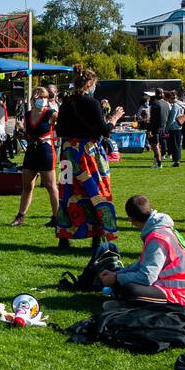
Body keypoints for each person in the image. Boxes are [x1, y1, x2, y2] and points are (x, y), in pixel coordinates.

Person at [54, 66, 124, 252]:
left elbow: (59, 130)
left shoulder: (66, 103)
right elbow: (104, 130)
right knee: (96, 191)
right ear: (90, 83)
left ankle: (64, 235)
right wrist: (115, 118)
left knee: (67, 192)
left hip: (68, 153)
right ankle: (97, 235)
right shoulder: (93, 103)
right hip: (88, 154)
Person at [98, 194, 185, 308]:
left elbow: (147, 277)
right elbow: (142, 265)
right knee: (125, 283)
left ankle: (125, 304)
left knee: (130, 290)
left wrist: (116, 279)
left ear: (130, 219)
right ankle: (124, 300)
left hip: (180, 296)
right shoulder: (161, 228)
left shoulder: (157, 238)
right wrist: (117, 274)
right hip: (179, 288)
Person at [13, 85, 59, 227]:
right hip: (32, 151)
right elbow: (28, 133)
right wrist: (21, 133)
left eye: (46, 97)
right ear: (34, 98)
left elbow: (63, 126)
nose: (43, 100)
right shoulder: (28, 114)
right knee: (27, 186)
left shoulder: (51, 113)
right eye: (40, 97)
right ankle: (20, 216)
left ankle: (57, 217)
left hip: (46, 151)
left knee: (50, 186)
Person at [167, 90, 185, 167]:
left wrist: (166, 128)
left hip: (174, 127)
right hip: (179, 126)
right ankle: (177, 160)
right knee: (177, 145)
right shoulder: (181, 104)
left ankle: (176, 161)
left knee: (174, 146)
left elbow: (172, 118)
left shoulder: (175, 105)